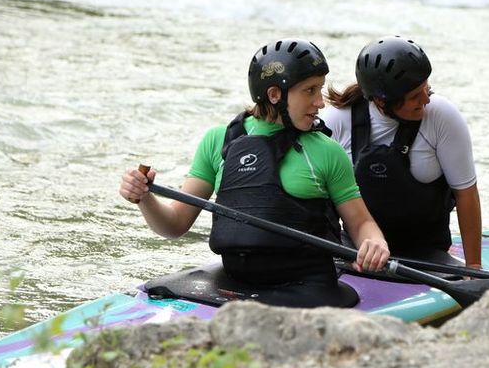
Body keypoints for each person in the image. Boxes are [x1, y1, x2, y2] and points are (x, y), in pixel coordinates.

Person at [119, 38, 390, 304]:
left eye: (319, 89)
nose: (320, 103)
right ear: (275, 95)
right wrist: (145, 198)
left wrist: (374, 243)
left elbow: (361, 224)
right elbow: (174, 225)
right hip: (234, 282)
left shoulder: (326, 151)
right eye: (309, 91)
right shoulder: (219, 141)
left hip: (306, 286)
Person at [322, 36, 483, 269]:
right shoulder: (337, 121)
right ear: (380, 100)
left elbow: (466, 194)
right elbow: (317, 201)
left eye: (426, 87)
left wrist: (473, 267)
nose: (426, 99)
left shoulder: (442, 116)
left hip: (426, 253)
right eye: (415, 96)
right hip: (358, 250)